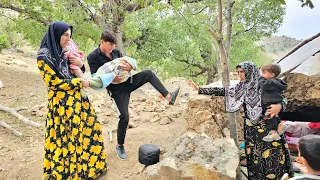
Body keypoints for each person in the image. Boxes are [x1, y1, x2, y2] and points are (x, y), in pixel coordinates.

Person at [188, 61, 293, 180]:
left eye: (242, 71)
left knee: (273, 156)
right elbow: (225, 91)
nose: (240, 74)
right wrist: (200, 89)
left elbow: (283, 97)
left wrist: (280, 105)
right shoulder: (242, 87)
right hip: (252, 130)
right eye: (238, 72)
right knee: (255, 157)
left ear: (250, 71)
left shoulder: (265, 83)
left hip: (270, 127)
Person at [87, 31, 181, 160]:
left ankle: (169, 97)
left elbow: (126, 64)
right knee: (124, 117)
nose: (112, 48)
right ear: (102, 41)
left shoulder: (116, 52)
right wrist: (112, 79)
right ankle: (120, 146)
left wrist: (129, 67)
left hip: (128, 82)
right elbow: (95, 78)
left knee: (148, 73)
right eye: (110, 45)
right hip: (116, 91)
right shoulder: (93, 57)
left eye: (114, 45)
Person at [37, 21, 107, 179]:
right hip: (62, 105)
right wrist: (77, 82)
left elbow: (77, 70)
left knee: (91, 128)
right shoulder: (44, 56)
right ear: (56, 35)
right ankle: (69, 174)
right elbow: (53, 83)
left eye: (70, 35)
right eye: (65, 35)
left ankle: (89, 170)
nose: (68, 39)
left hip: (78, 100)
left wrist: (81, 65)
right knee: (68, 138)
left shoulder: (64, 51)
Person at [259, 63, 288, 142]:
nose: (262, 75)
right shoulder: (277, 83)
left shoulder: (268, 83)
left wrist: (280, 106)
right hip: (256, 130)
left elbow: (284, 99)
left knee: (269, 116)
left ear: (272, 74)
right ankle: (278, 126)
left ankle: (273, 131)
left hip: (267, 109)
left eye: (263, 73)